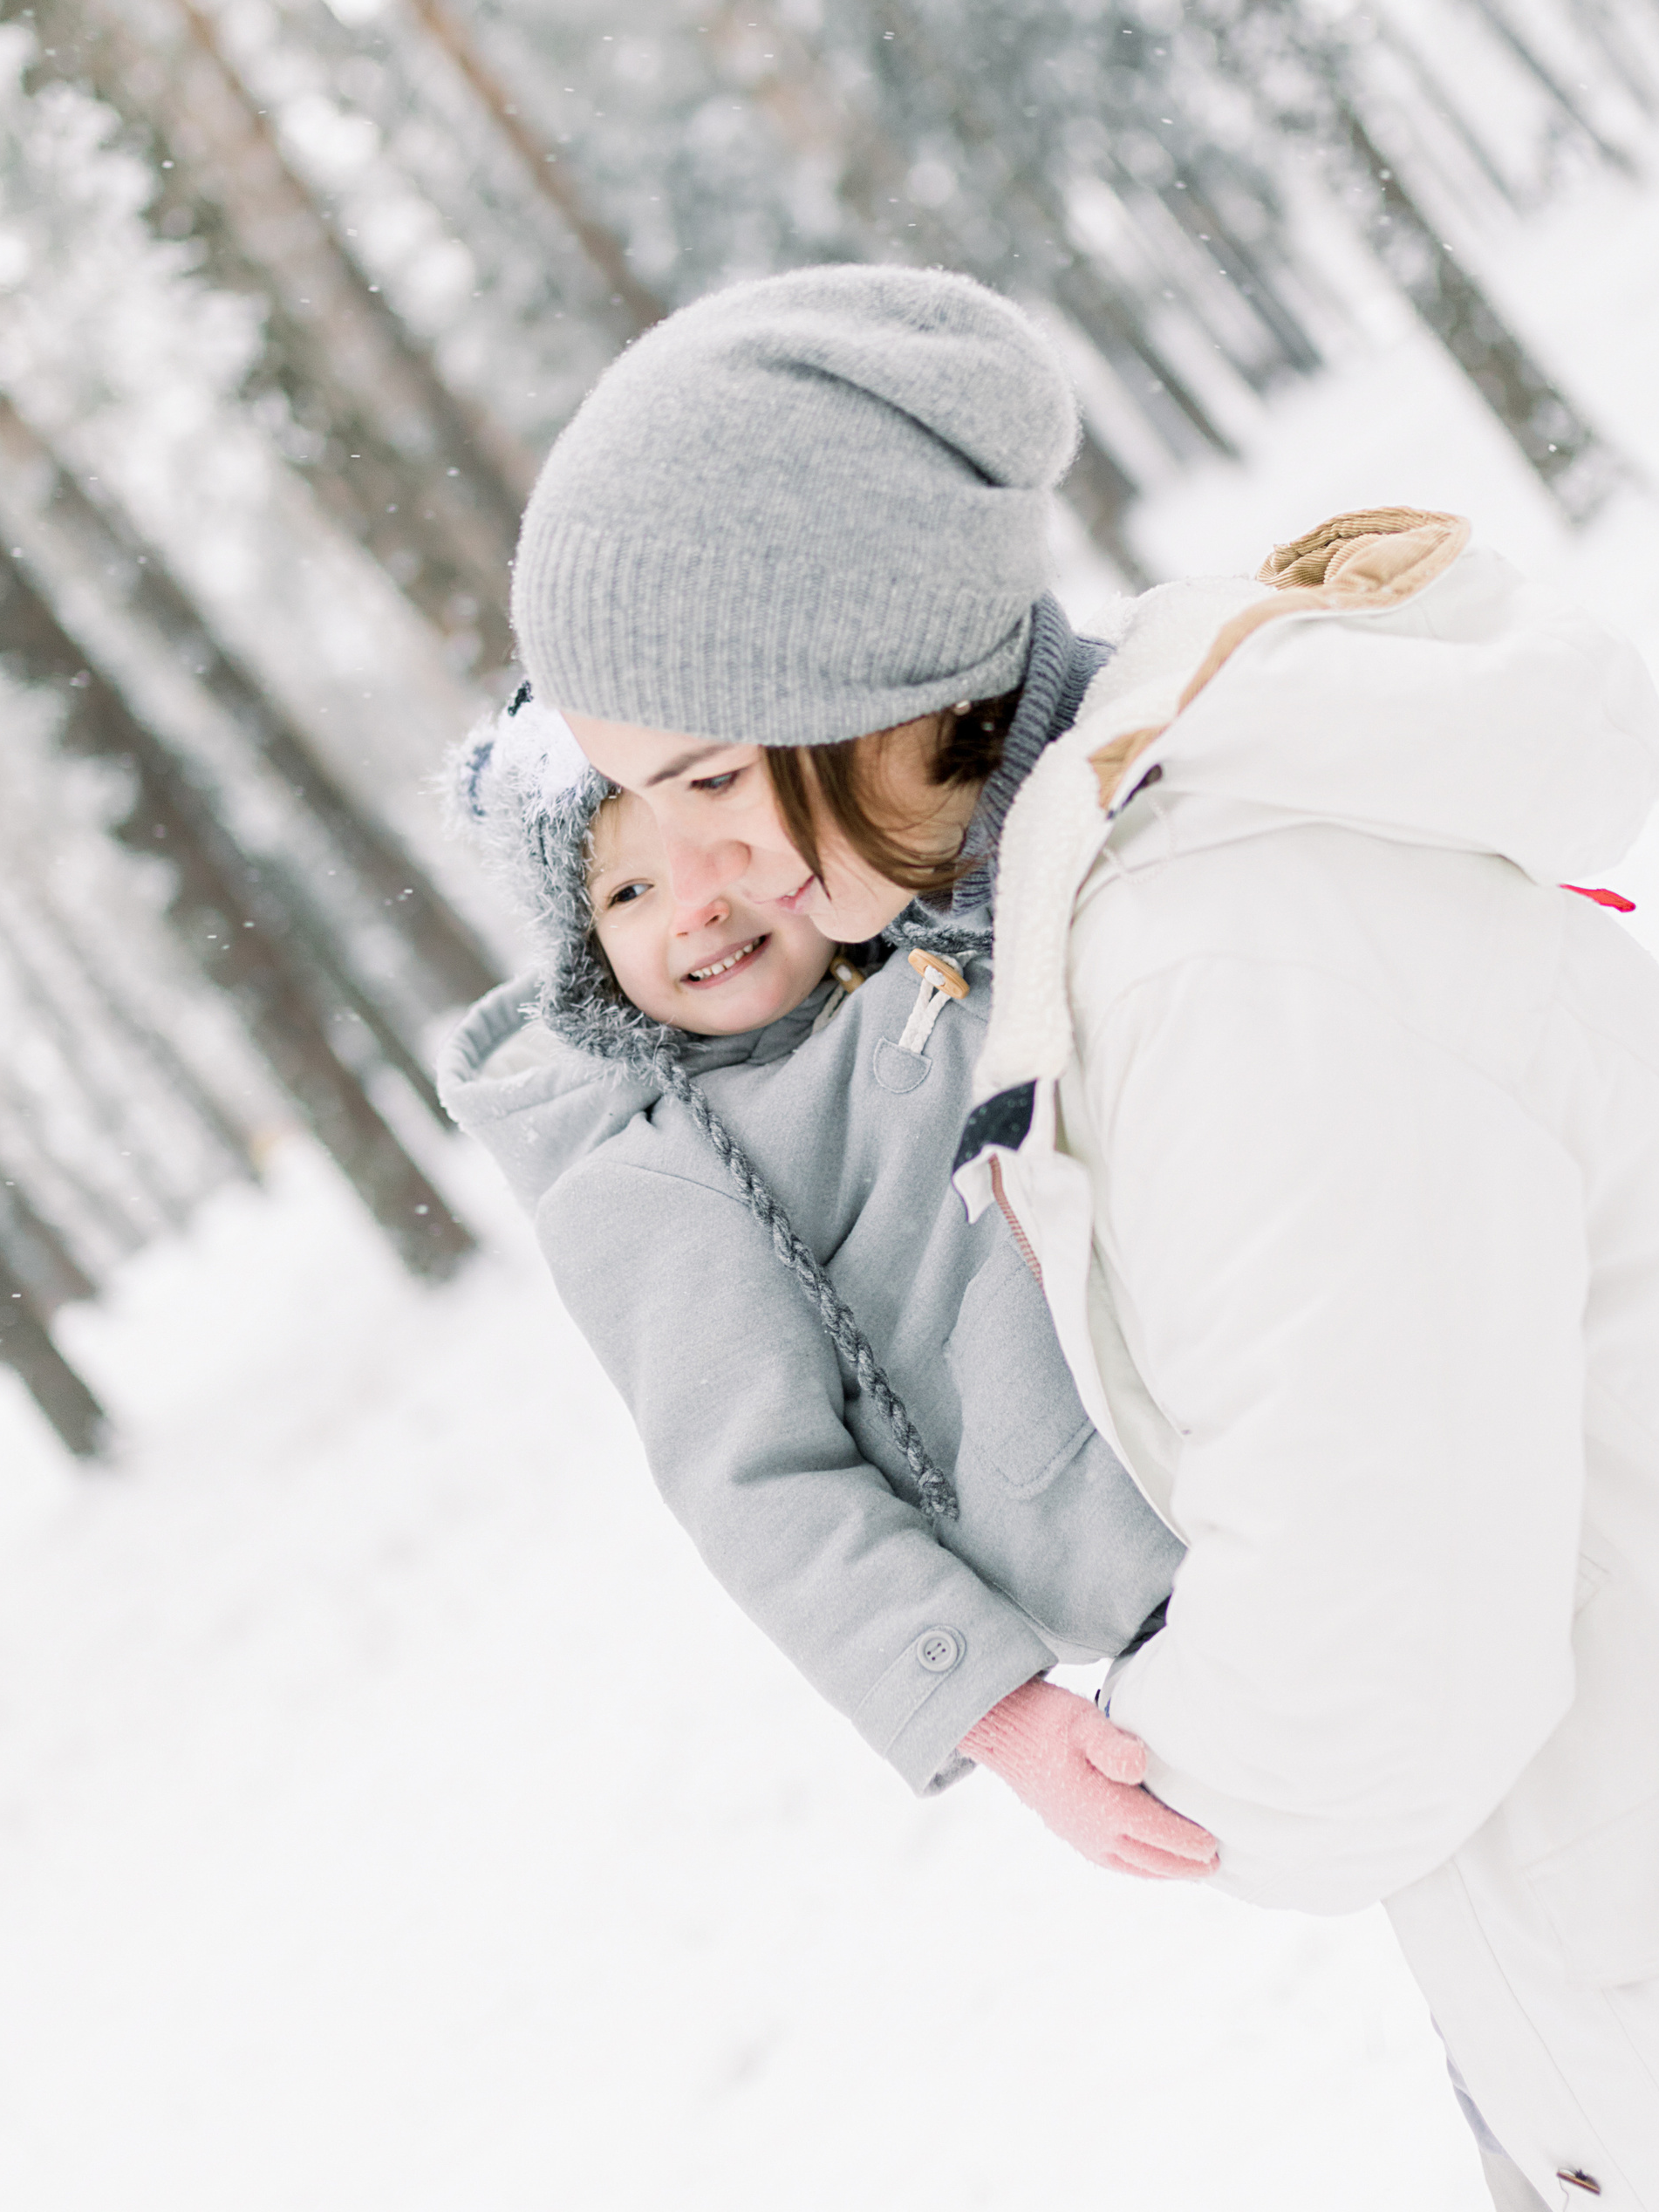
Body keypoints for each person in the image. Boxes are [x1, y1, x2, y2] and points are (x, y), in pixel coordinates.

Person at [499, 260, 1659, 2212]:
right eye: (633, 802)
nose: (718, 875)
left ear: (873, 685)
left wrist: (1155, 1762)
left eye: (710, 776)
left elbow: (1381, 1673)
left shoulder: (1214, 960)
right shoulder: (1099, 928)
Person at [437, 694, 1214, 1880]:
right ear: (588, 956)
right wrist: (996, 1711)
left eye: (709, 855)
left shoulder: (933, 939)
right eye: (628, 893)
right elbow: (761, 1484)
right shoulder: (649, 1183)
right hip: (1149, 1560)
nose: (693, 904)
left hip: (1266, 1399)